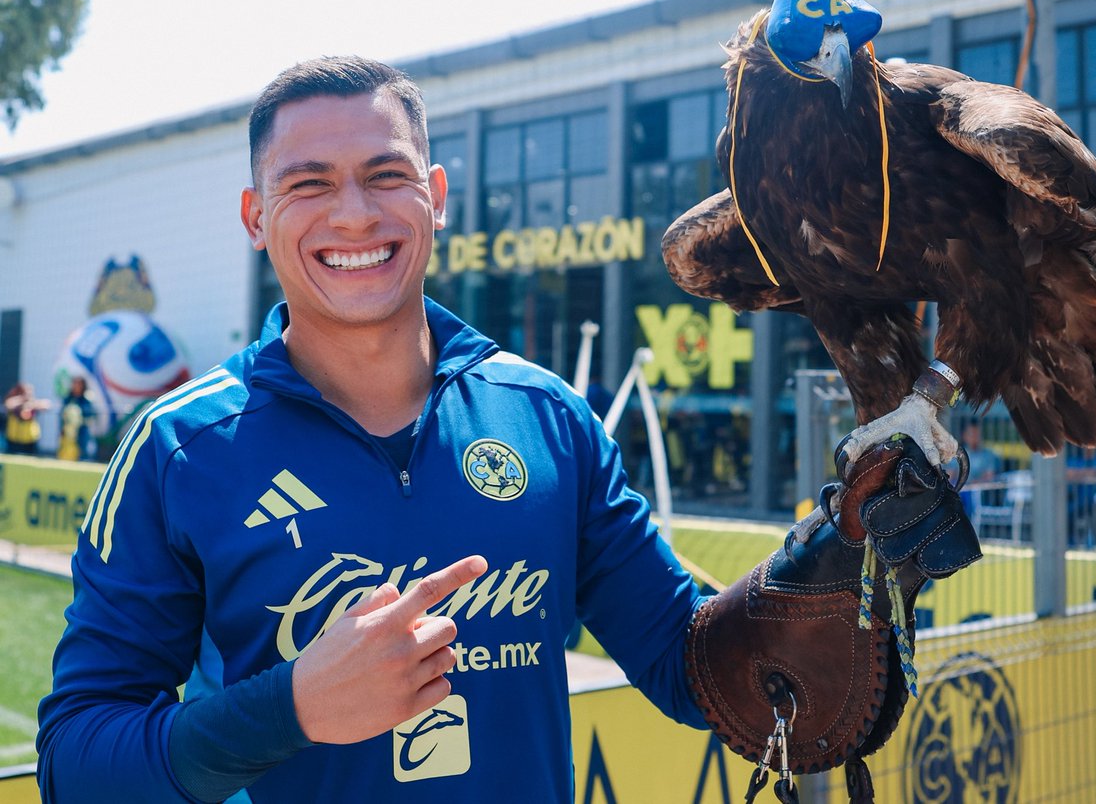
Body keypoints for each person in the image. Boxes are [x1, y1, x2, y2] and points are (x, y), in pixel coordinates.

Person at [36, 57, 707, 803]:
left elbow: (694, 669)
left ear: (437, 196)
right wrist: (291, 709)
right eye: (309, 183)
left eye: (387, 175)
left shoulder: (548, 419)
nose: (354, 214)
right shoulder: (178, 449)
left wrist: (844, 548)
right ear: (256, 218)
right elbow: (77, 764)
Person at [56, 375, 97, 461]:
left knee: (82, 451)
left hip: (82, 430)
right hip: (68, 431)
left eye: (79, 384)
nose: (76, 386)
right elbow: (62, 415)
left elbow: (90, 415)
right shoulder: (68, 398)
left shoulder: (86, 399)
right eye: (74, 383)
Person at [4, 381, 50, 455]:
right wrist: (22, 401)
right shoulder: (14, 403)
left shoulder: (33, 404)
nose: (28, 395)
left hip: (30, 441)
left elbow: (46, 405)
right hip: (14, 440)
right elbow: (8, 404)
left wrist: (31, 404)